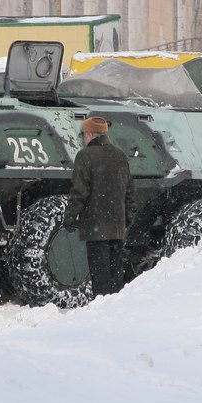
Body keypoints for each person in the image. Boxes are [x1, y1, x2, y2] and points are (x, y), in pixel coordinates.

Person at [62, 115, 132, 298]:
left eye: (83, 135)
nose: (82, 139)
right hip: (117, 227)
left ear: (91, 134)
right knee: (115, 274)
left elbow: (79, 191)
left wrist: (70, 216)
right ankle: (116, 307)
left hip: (96, 227)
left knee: (99, 275)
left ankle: (101, 309)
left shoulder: (85, 156)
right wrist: (128, 216)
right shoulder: (120, 155)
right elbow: (129, 189)